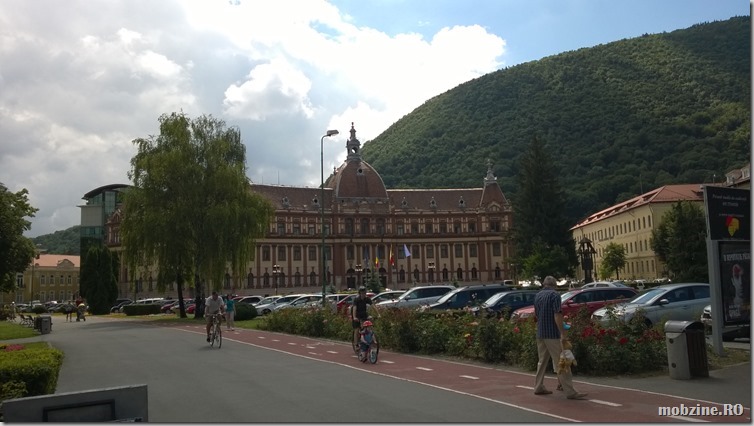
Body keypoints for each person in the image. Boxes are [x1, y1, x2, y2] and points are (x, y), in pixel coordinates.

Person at [532, 276, 587, 400]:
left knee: (542, 361)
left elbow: (536, 314)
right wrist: (562, 333)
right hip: (552, 333)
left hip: (540, 332)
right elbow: (557, 314)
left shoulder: (538, 295)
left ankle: (538, 386)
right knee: (562, 362)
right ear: (555, 285)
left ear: (544, 284)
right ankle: (570, 391)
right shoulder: (555, 295)